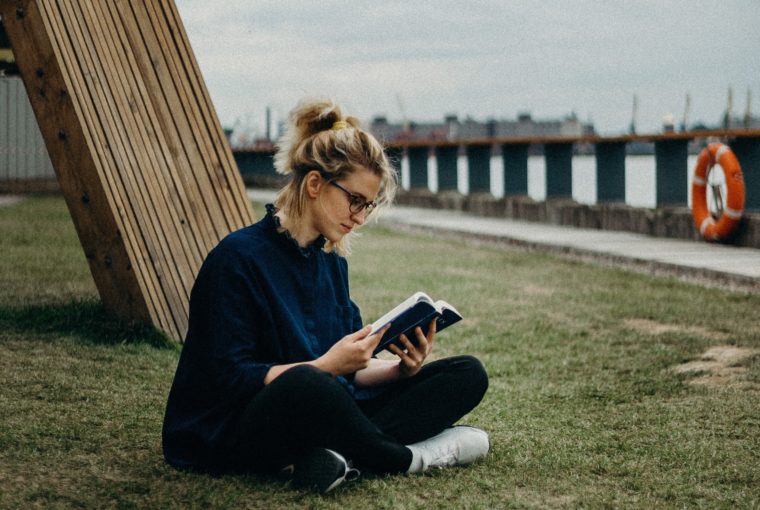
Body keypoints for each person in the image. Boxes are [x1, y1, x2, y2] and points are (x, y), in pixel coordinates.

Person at [162, 98, 490, 492]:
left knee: (467, 373)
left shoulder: (332, 262)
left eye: (367, 206)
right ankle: (407, 458)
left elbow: (351, 370)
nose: (359, 217)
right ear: (315, 184)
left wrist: (400, 368)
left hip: (324, 409)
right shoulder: (236, 259)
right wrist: (325, 366)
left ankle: (334, 456)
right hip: (236, 426)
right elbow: (228, 379)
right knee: (308, 383)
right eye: (355, 200)